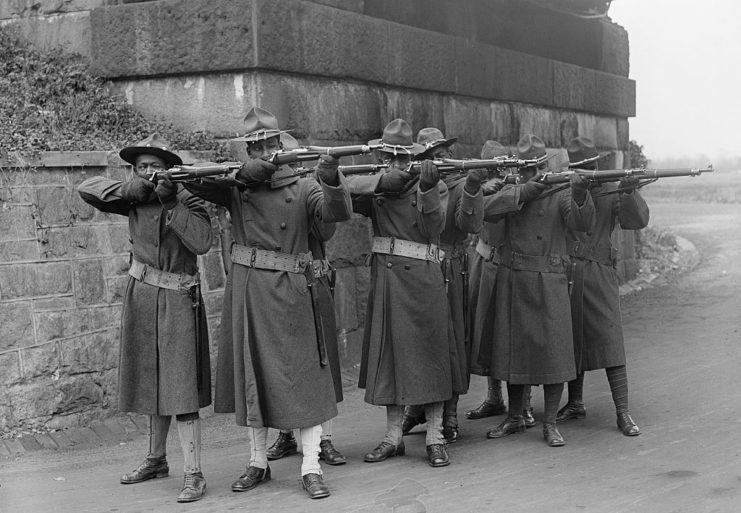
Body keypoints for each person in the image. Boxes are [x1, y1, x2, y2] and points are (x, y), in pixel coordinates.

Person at [184, 107, 352, 499]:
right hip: (249, 292)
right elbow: (195, 182)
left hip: (291, 290)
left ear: (280, 142)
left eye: (269, 143)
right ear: (248, 149)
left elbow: (334, 214)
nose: (263, 150)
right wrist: (243, 175)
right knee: (252, 375)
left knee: (303, 379)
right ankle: (258, 461)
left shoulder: (305, 185)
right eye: (255, 146)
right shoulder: (238, 186)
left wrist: (330, 179)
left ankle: (310, 465)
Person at [78, 134, 213, 502]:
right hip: (142, 297)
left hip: (179, 299)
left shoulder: (188, 197)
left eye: (155, 167)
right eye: (141, 168)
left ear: (170, 170)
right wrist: (137, 188)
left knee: (180, 388)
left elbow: (202, 242)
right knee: (151, 381)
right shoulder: (134, 197)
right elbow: (88, 189)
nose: (149, 173)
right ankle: (155, 460)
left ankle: (194, 473)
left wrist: (171, 200)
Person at [348, 118, 453, 467]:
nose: (396, 164)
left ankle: (436, 436)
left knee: (430, 356)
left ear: (412, 156)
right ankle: (393, 438)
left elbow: (432, 227)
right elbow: (342, 188)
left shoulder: (431, 184)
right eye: (389, 158)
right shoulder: (379, 185)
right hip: (389, 280)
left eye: (401, 158)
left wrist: (422, 189)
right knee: (390, 357)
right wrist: (382, 180)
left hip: (423, 278)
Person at [481, 134, 595, 447]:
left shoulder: (560, 191)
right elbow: (486, 210)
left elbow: (582, 223)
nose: (530, 175)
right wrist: (525, 190)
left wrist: (581, 193)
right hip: (515, 276)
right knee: (513, 351)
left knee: (554, 354)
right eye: (524, 170)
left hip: (550, 277)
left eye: (534, 169)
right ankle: (516, 416)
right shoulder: (513, 190)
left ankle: (550, 423)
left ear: (544, 165)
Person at [556, 136, 649, 436]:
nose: (591, 169)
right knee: (572, 339)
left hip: (600, 273)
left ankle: (623, 412)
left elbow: (637, 221)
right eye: (583, 166)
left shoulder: (612, 190)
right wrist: (578, 189)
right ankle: (575, 403)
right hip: (568, 271)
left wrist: (631, 191)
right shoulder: (565, 190)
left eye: (592, 165)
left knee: (611, 342)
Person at [264, 133, 347, 466]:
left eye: (293, 160)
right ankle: (285, 433)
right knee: (281, 364)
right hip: (280, 286)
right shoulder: (262, 191)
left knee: (320, 365)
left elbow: (327, 231)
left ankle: (324, 438)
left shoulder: (308, 190)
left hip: (313, 281)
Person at [400, 127, 484, 444]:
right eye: (434, 155)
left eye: (445, 153)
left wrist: (474, 189)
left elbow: (470, 225)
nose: (442, 159)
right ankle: (415, 409)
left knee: (453, 341)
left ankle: (449, 414)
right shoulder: (411, 184)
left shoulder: (461, 184)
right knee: (420, 339)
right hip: (420, 268)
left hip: (451, 266)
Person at [465, 141, 536, 428]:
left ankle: (525, 404)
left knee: (516, 335)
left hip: (510, 266)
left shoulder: (519, 186)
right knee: (487, 334)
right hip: (484, 262)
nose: (502, 170)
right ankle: (495, 397)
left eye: (505, 164)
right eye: (495, 166)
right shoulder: (476, 187)